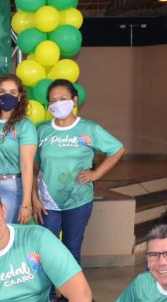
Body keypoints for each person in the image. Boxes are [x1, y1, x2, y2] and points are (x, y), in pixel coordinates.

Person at [34, 78, 125, 265]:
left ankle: (72, 286)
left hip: (78, 201)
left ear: (74, 100)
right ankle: (49, 286)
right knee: (46, 251)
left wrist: (96, 174)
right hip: (46, 203)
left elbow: (117, 150)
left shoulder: (89, 128)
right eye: (53, 100)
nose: (57, 104)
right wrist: (34, 198)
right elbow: (33, 166)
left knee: (72, 249)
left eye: (63, 99)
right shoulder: (42, 130)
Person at [0, 73, 38, 224]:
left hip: (11, 187)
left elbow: (27, 165)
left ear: (20, 96)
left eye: (12, 92)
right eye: (2, 91)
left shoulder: (25, 126)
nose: (7, 96)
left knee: (6, 231)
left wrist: (26, 203)